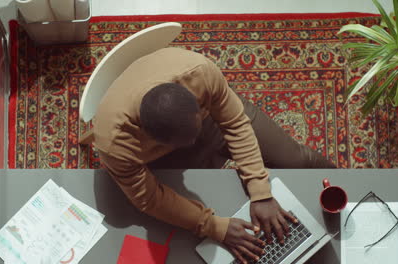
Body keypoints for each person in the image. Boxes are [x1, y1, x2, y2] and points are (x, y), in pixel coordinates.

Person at [93, 47, 335, 262]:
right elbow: (150, 198)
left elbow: (235, 124)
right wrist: (213, 226)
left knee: (297, 160)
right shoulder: (115, 143)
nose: (195, 143)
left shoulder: (199, 72)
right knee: (200, 216)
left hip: (213, 121)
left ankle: (340, 182)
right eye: (186, 141)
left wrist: (260, 192)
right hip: (163, 157)